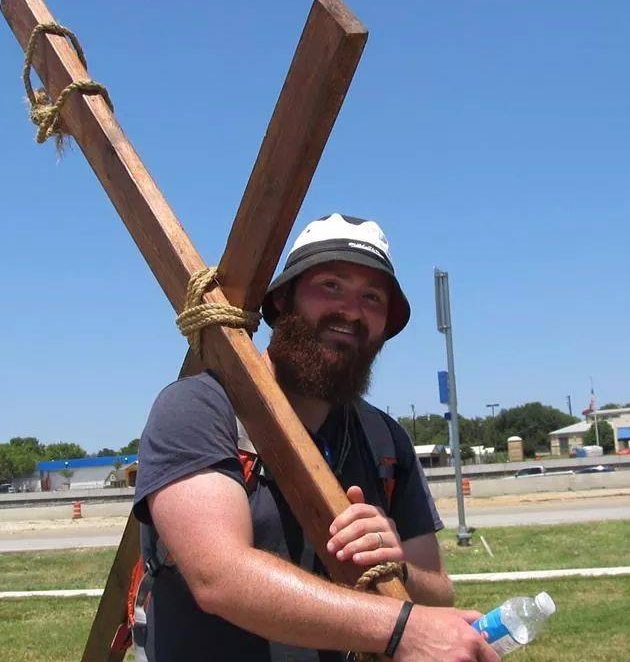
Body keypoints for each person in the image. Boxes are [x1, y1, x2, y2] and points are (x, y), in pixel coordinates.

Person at [132, 213, 498, 662]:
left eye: (372, 297)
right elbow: (219, 577)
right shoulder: (199, 410)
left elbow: (438, 594)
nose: (352, 310)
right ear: (283, 299)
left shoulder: (384, 441)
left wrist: (398, 565)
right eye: (331, 286)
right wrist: (400, 629)